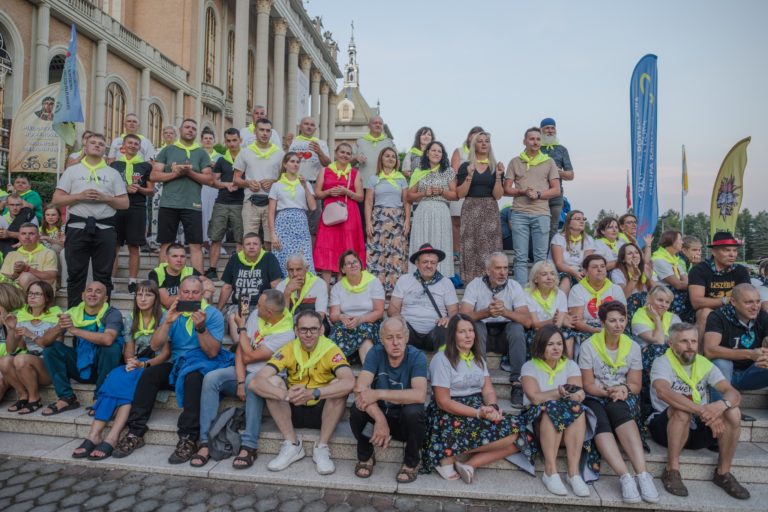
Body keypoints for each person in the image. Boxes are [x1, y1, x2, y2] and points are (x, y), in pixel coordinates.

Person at [113, 276, 229, 463]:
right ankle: (135, 431)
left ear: (201, 294)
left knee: (193, 378)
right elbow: (155, 344)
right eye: (186, 292)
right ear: (179, 293)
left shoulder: (213, 314)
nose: (190, 297)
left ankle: (188, 437)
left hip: (202, 364)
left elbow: (213, 352)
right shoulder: (170, 314)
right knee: (150, 374)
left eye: (195, 292)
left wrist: (201, 328)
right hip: (177, 364)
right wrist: (167, 322)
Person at [422, 314, 527, 484]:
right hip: (450, 411)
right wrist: (478, 413)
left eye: (471, 330)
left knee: (520, 432)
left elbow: (488, 389)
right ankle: (446, 450)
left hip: (478, 407)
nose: (469, 335)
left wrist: (492, 406)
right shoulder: (441, 359)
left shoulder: (478, 358)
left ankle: (469, 463)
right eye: (462, 332)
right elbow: (443, 401)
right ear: (452, 335)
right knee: (507, 434)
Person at [195, 290, 294, 469]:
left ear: (270, 313)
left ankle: (249, 445)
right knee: (211, 378)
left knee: (252, 383)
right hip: (243, 371)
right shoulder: (257, 314)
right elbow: (241, 349)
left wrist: (241, 328)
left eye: (261, 306)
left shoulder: (286, 333)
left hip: (268, 377)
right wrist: (240, 381)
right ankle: (205, 441)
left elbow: (250, 356)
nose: (256, 308)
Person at [71, 280, 169, 460]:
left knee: (128, 380)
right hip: (137, 362)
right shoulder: (131, 318)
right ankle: (94, 434)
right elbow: (129, 351)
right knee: (116, 375)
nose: (143, 298)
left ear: (156, 298)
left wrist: (143, 365)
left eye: (148, 294)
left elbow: (165, 354)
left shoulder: (164, 317)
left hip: (156, 364)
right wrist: (131, 362)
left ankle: (112, 436)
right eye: (139, 294)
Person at [649, 323, 749, 499]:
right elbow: (663, 391)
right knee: (681, 410)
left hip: (700, 426)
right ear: (671, 344)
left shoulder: (704, 364)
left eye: (694, 341)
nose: (690, 346)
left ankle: (723, 473)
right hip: (666, 427)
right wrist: (704, 411)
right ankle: (671, 470)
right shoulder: (662, 362)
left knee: (733, 411)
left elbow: (733, 393)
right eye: (684, 341)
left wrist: (721, 406)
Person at [251, 310, 355, 474]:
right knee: (272, 382)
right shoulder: (288, 349)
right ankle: (292, 444)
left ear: (321, 330)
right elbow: (257, 382)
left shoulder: (331, 350)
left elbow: (350, 381)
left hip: (322, 411)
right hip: (293, 407)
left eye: (313, 329)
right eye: (303, 329)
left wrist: (315, 393)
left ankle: (321, 447)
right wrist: (284, 395)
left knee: (338, 385)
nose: (308, 334)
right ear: (296, 331)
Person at [578, 301, 659, 504]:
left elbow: (635, 384)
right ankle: (625, 477)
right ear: (603, 322)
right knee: (599, 419)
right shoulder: (589, 345)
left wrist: (624, 389)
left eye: (622, 320)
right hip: (596, 394)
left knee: (620, 411)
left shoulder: (632, 346)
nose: (618, 325)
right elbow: (587, 384)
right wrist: (607, 391)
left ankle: (642, 474)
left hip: (623, 394)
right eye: (612, 320)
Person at [52, 134, 129, 307]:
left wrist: (105, 198)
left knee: (103, 275)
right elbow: (56, 199)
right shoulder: (72, 171)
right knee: (76, 274)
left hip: (105, 228)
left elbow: (124, 203)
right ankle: (74, 315)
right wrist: (79, 196)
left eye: (101, 144)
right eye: (93, 143)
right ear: (85, 147)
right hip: (78, 226)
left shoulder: (113, 173)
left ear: (105, 150)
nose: (97, 146)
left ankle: (103, 316)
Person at [350, 317, 427, 483]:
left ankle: (411, 462)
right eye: (389, 338)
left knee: (414, 411)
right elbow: (360, 388)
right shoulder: (376, 353)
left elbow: (420, 394)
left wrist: (378, 394)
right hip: (379, 420)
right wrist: (380, 418)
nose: (395, 343)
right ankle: (366, 456)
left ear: (406, 337)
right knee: (357, 409)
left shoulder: (417, 356)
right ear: (382, 340)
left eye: (399, 337)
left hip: (404, 423)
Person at [519, 325, 592, 497]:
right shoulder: (530, 366)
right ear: (541, 345)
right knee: (553, 407)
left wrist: (577, 395)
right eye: (551, 344)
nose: (556, 348)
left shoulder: (570, 365)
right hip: (537, 420)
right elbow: (535, 398)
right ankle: (550, 471)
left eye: (559, 344)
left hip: (566, 423)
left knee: (577, 409)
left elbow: (577, 392)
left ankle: (573, 473)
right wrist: (557, 392)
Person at [37, 281, 124, 415]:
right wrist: (60, 326)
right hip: (81, 366)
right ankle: (67, 397)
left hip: (105, 369)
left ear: (105, 298)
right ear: (83, 295)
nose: (93, 294)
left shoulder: (112, 314)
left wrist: (74, 330)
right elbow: (43, 342)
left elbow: (108, 339)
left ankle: (101, 396)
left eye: (98, 291)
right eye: (89, 290)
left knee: (111, 348)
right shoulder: (73, 313)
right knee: (51, 348)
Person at [459, 252, 531, 407]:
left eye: (505, 268)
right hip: (481, 335)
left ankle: (517, 383)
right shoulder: (475, 284)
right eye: (498, 268)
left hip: (505, 336)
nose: (503, 272)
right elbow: (463, 317)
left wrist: (505, 312)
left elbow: (527, 321)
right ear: (487, 270)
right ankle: (480, 380)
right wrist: (486, 312)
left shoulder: (514, 286)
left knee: (517, 327)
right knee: (476, 325)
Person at [151, 118, 212, 272]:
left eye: (193, 128)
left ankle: (198, 280)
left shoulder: (201, 153)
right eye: (187, 127)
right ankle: (162, 279)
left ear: (196, 132)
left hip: (193, 205)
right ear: (180, 129)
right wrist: (176, 173)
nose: (190, 130)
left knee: (196, 245)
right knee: (166, 243)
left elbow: (209, 179)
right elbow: (154, 176)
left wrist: (190, 172)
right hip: (168, 204)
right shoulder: (168, 150)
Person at [503, 127, 561, 286]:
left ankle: (539, 292)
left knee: (540, 257)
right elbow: (506, 189)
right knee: (520, 257)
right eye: (532, 139)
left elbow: (556, 190)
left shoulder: (549, 162)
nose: (535, 142)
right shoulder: (515, 161)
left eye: (538, 139)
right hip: (519, 213)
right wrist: (522, 191)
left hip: (541, 213)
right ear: (524, 141)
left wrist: (539, 194)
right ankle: (521, 295)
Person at [0, 281, 60, 414]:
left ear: (47, 298)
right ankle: (23, 396)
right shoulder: (21, 316)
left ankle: (34, 398)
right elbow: (12, 349)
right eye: (30, 293)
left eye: (37, 294)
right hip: (28, 363)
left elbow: (57, 347)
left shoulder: (56, 316)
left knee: (21, 359)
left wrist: (31, 335)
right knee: (4, 361)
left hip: (49, 363)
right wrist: (11, 329)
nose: (32, 297)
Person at [388, 243, 459, 351]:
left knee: (446, 329)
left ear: (437, 265)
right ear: (417, 263)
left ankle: (443, 364)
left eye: (433, 262)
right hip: (408, 332)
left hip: (435, 333)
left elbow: (454, 311)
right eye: (425, 262)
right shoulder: (404, 280)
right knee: (393, 326)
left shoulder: (446, 283)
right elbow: (392, 310)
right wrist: (396, 316)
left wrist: (449, 318)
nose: (429, 265)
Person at [704, 283, 768, 401]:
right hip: (724, 374)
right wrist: (750, 354)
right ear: (733, 301)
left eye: (758, 301)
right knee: (721, 362)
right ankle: (720, 412)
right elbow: (709, 350)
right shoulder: (718, 316)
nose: (755, 307)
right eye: (748, 302)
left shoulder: (762, 316)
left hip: (751, 373)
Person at [456, 132, 505, 283]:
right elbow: (460, 193)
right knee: (471, 247)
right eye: (480, 141)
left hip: (490, 208)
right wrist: (470, 175)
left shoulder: (495, 167)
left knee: (491, 246)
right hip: (471, 207)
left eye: (487, 141)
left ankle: (492, 281)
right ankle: (471, 283)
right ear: (474, 145)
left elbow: (498, 195)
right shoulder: (466, 166)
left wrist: (498, 176)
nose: (484, 144)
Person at [314, 143, 365, 283]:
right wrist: (328, 192)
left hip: (349, 215)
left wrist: (346, 192)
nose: (345, 155)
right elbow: (317, 193)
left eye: (348, 153)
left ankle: (343, 289)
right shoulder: (325, 171)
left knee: (346, 249)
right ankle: (326, 291)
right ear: (336, 153)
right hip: (330, 216)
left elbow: (360, 197)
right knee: (327, 247)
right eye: (342, 152)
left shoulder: (354, 173)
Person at [110, 133, 154, 293]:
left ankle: (132, 281)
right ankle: (111, 280)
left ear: (139, 147)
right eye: (130, 143)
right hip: (116, 208)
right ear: (124, 145)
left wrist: (139, 189)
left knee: (134, 246)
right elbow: (108, 188)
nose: (133, 146)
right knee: (113, 245)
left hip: (137, 208)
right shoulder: (114, 165)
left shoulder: (145, 166)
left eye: (136, 144)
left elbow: (151, 191)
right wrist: (124, 189)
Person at [217, 233, 282, 341]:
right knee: (234, 316)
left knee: (259, 318)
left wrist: (268, 305)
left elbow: (275, 286)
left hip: (260, 304)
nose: (251, 246)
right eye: (248, 244)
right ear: (242, 247)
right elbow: (227, 287)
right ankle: (239, 345)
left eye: (255, 244)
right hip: (241, 303)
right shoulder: (235, 259)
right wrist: (218, 310)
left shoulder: (268, 257)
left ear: (261, 246)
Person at [407, 141, 457, 278]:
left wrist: (441, 191)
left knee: (440, 244)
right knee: (421, 243)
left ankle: (442, 276)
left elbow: (455, 195)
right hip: (423, 211)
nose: (436, 153)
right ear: (427, 152)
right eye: (433, 150)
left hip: (441, 212)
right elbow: (409, 196)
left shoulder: (448, 171)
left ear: (443, 155)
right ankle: (418, 276)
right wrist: (424, 193)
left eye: (439, 151)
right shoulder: (419, 171)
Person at [364, 147, 410, 295]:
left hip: (397, 219)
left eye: (393, 157)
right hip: (378, 218)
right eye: (387, 156)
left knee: (396, 254)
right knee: (377, 253)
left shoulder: (401, 179)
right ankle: (376, 290)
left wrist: (407, 220)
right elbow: (368, 202)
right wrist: (368, 223)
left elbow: (406, 201)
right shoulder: (374, 178)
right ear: (381, 159)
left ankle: (394, 291)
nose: (390, 159)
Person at [689, 231, 751, 341]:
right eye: (726, 250)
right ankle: (698, 354)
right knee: (704, 313)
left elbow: (748, 297)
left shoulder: (740, 270)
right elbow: (696, 302)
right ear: (714, 252)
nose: (732, 254)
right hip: (711, 311)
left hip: (735, 310)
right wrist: (726, 300)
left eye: (735, 250)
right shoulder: (699, 270)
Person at [234, 118, 284, 251]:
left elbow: (285, 179)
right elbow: (236, 179)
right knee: (250, 241)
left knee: (270, 242)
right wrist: (248, 183)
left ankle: (268, 270)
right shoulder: (245, 151)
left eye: (268, 131)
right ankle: (250, 270)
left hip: (272, 203)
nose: (265, 133)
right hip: (250, 201)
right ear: (255, 131)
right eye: (261, 130)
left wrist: (273, 181)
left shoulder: (279, 153)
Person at [329, 250, 385, 363]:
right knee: (337, 332)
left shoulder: (373, 282)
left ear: (360, 264)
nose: (353, 265)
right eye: (348, 263)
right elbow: (333, 315)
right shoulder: (338, 287)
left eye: (355, 261)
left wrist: (360, 319)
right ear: (343, 269)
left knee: (365, 334)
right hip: (347, 324)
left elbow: (379, 311)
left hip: (369, 322)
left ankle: (368, 369)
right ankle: (340, 365)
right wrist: (341, 317)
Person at [268, 152, 317, 275]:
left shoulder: (304, 183)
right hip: (282, 223)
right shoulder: (277, 185)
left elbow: (313, 206)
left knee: (305, 259)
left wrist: (305, 187)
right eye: (292, 161)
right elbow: (270, 212)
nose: (295, 164)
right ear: (285, 164)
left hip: (300, 223)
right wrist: (273, 234)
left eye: (297, 162)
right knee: (283, 260)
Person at [206, 128, 245, 279]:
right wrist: (226, 185)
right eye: (228, 141)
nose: (231, 143)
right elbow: (213, 181)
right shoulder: (222, 160)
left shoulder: (246, 158)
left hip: (241, 203)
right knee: (215, 237)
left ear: (240, 140)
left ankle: (240, 269)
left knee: (240, 239)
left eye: (234, 140)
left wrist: (241, 184)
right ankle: (212, 269)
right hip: (221, 202)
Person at [568, 254, 627, 345]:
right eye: (595, 267)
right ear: (585, 272)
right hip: (587, 330)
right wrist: (596, 330)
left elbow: (623, 315)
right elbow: (577, 321)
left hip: (614, 328)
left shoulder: (616, 289)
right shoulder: (577, 290)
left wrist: (612, 329)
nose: (600, 269)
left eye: (602, 266)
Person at [287, 116, 330, 236]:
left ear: (315, 128)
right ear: (300, 127)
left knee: (314, 224)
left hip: (314, 185)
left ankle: (312, 253)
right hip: (295, 185)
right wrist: (286, 146)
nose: (309, 126)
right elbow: (285, 163)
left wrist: (319, 152)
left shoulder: (321, 143)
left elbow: (327, 164)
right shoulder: (293, 142)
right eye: (306, 124)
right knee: (296, 221)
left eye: (312, 125)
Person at [524, 261, 576, 358]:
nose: (549, 278)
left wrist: (554, 323)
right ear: (535, 279)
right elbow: (534, 324)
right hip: (536, 331)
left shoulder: (560, 294)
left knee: (568, 334)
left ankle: (567, 366)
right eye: (544, 274)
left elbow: (558, 324)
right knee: (536, 336)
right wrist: (550, 321)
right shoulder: (527, 294)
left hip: (555, 330)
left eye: (552, 274)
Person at [450, 126, 484, 258]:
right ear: (468, 137)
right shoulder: (459, 151)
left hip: (476, 192)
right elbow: (454, 171)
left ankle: (472, 251)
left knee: (475, 223)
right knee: (457, 222)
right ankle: (457, 252)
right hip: (461, 189)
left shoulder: (484, 154)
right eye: (472, 135)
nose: (474, 138)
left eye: (478, 136)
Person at [539, 118, 575, 241]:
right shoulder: (534, 148)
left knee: (553, 227)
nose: (550, 130)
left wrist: (558, 172)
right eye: (547, 128)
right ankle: (536, 257)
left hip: (556, 195)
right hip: (537, 194)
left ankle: (550, 257)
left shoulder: (562, 149)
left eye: (552, 128)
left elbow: (571, 175)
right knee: (538, 226)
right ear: (541, 131)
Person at [0, 224, 58, 290]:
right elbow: (4, 279)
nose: (27, 237)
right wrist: (15, 274)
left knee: (25, 277)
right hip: (14, 294)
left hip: (42, 293)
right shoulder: (11, 254)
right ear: (19, 237)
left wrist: (27, 269)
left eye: (31, 234)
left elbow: (51, 278)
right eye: (23, 234)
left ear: (38, 237)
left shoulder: (48, 253)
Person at [551, 210, 596, 294]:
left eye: (583, 219)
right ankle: (562, 305)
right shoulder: (559, 238)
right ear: (568, 222)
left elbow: (587, 262)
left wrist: (581, 272)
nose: (582, 221)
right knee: (566, 280)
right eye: (577, 219)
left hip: (581, 271)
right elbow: (559, 264)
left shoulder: (588, 239)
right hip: (562, 270)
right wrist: (573, 272)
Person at [652, 230, 692, 321]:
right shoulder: (659, 260)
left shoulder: (673, 259)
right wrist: (697, 286)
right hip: (663, 295)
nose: (682, 242)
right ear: (672, 241)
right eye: (680, 240)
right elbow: (678, 285)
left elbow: (686, 280)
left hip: (673, 294)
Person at [149, 243, 202, 309]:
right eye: (175, 256)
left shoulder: (190, 271)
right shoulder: (156, 273)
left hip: (186, 310)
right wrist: (190, 294)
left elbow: (209, 286)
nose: (179, 260)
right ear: (167, 258)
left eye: (182, 256)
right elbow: (166, 302)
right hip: (164, 315)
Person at [276, 254, 329, 320]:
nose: (295, 274)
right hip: (289, 326)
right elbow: (280, 318)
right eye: (291, 270)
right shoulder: (281, 286)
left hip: (313, 325)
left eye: (298, 269)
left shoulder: (319, 284)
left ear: (306, 269)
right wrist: (287, 293)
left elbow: (320, 315)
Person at [612, 242, 654, 316]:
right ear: (623, 259)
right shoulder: (617, 272)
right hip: (630, 309)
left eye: (636, 252)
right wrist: (635, 276)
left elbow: (656, 291)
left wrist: (649, 278)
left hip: (647, 307)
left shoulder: (645, 268)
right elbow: (623, 296)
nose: (634, 256)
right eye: (630, 253)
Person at [353, 116, 396, 187]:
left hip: (384, 184)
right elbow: (349, 163)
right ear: (369, 126)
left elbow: (396, 162)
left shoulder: (389, 142)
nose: (378, 125)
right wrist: (355, 158)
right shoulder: (360, 141)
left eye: (380, 123)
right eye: (375, 123)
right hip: (364, 184)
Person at [200, 129, 221, 253]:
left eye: (210, 138)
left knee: (215, 214)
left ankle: (216, 243)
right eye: (205, 138)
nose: (208, 140)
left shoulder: (220, 156)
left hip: (215, 188)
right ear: (201, 140)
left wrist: (216, 166)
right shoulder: (197, 154)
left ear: (214, 140)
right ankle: (203, 243)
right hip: (201, 188)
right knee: (202, 214)